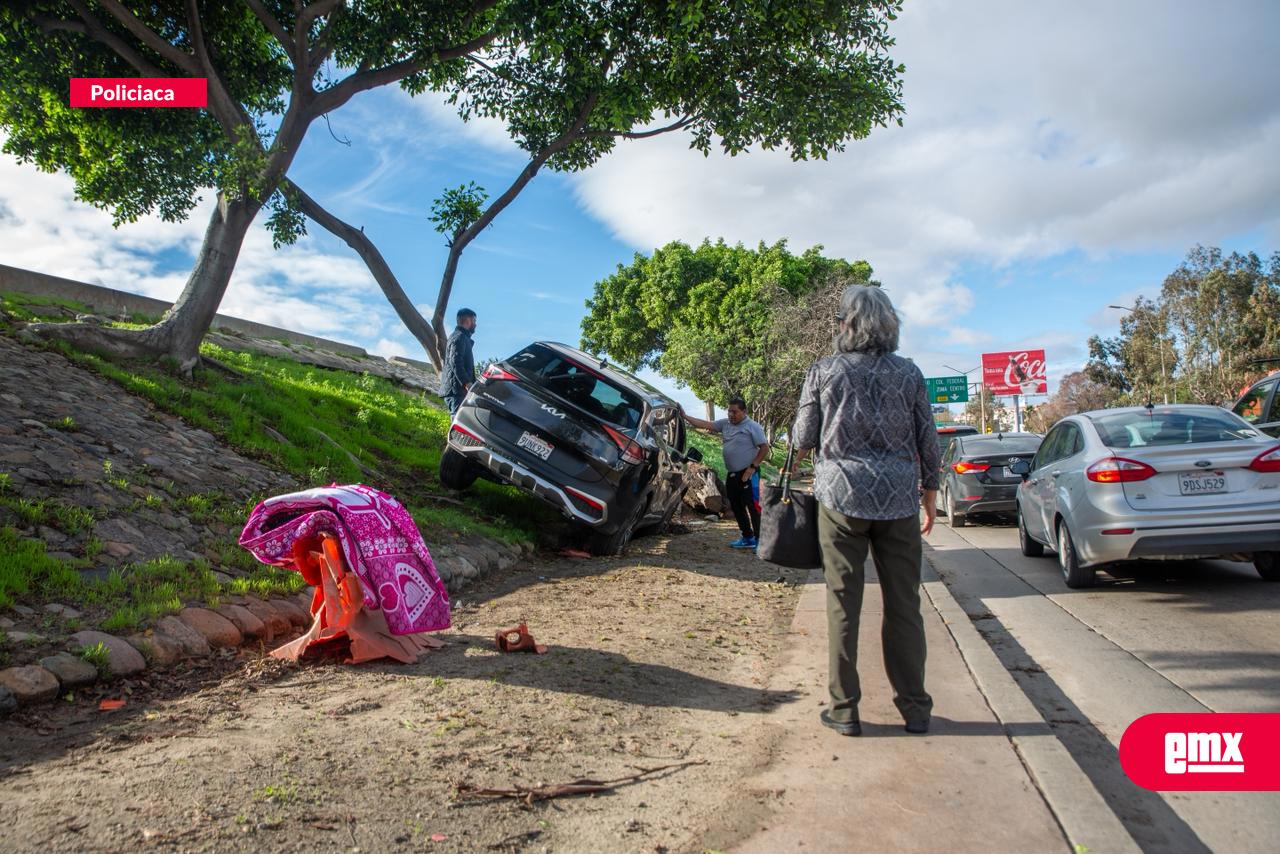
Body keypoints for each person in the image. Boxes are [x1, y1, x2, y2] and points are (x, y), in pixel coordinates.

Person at [791, 285, 940, 737]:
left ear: (846, 325)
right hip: (897, 500)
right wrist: (929, 495)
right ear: (889, 325)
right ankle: (915, 709)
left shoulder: (824, 370)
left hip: (840, 499)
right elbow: (927, 438)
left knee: (842, 603)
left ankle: (845, 710)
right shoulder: (909, 373)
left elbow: (802, 437)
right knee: (904, 604)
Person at [684, 397, 770, 549]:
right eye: (729, 411)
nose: (731, 414)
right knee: (736, 506)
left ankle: (760, 540)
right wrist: (685, 416)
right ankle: (747, 537)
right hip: (733, 473)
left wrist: (752, 467)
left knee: (753, 506)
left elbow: (764, 448)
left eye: (735, 412)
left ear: (744, 411)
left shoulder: (752, 426)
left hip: (749, 472)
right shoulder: (725, 424)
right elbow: (705, 424)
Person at [439, 308, 477, 415]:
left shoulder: (461, 337)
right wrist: (467, 383)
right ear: (468, 320)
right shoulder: (459, 337)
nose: (475, 324)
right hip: (456, 391)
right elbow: (455, 362)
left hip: (457, 389)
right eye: (474, 321)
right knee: (457, 418)